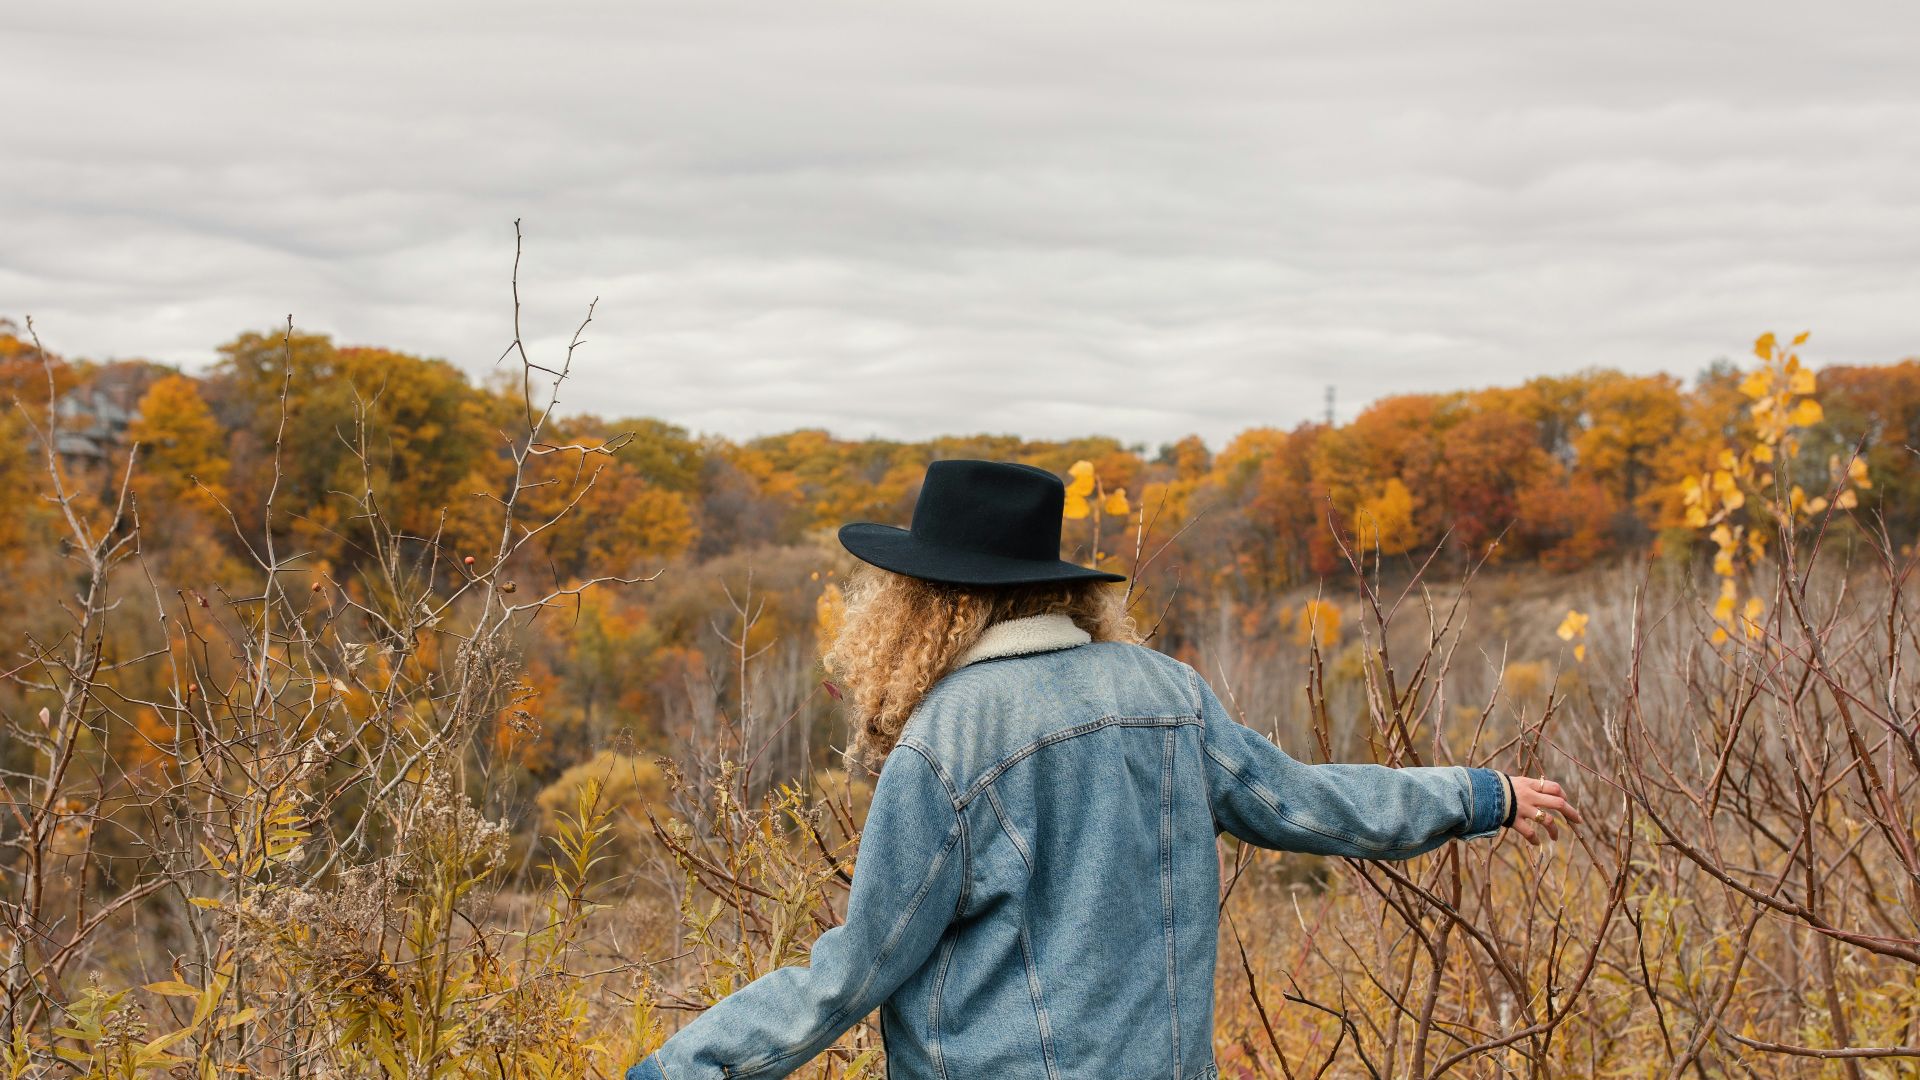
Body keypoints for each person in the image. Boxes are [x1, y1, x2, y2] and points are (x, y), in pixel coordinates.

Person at [626, 459, 1579, 1080]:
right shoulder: (1166, 691)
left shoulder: (948, 739)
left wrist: (679, 1067)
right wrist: (1476, 793)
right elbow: (1311, 803)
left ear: (928, 605)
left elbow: (853, 971)